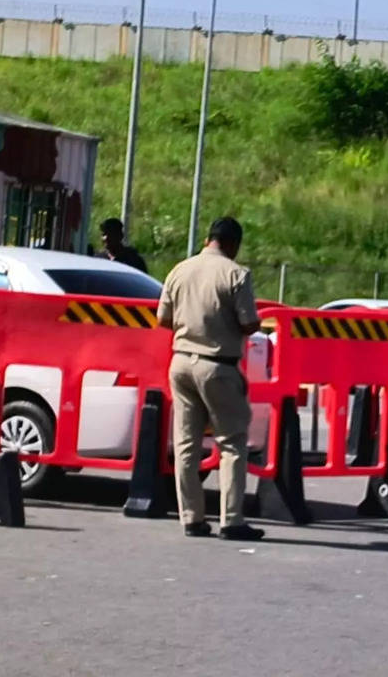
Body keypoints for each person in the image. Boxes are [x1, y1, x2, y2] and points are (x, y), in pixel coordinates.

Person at [156, 217, 265, 541]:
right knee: (231, 443)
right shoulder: (236, 274)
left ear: (208, 239)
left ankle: (191, 518)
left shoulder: (180, 269)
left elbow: (163, 318)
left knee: (187, 444)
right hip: (218, 365)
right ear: (233, 244)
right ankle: (231, 520)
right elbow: (248, 323)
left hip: (181, 363)